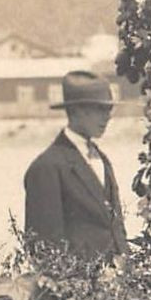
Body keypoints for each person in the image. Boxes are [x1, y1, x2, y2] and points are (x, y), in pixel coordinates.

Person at [23, 70, 127, 259]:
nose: (107, 117)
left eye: (109, 110)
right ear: (76, 110)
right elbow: (44, 247)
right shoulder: (47, 167)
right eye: (100, 109)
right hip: (77, 284)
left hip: (117, 283)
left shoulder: (101, 159)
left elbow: (116, 230)